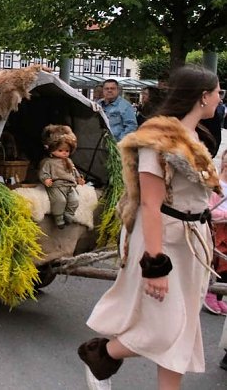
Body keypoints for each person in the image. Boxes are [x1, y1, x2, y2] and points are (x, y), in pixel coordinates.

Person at [78, 65, 222, 390]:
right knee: (164, 328)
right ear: (203, 97)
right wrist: (155, 265)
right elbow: (150, 204)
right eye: (217, 92)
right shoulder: (156, 141)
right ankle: (101, 355)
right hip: (163, 241)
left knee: (184, 328)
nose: (219, 98)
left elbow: (198, 196)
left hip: (192, 242)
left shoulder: (197, 137)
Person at [39, 125, 85, 229]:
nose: (64, 153)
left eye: (67, 151)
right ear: (51, 149)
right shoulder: (48, 162)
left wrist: (78, 178)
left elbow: (74, 171)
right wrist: (46, 179)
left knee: (75, 199)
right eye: (60, 150)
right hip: (57, 185)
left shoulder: (68, 161)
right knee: (60, 200)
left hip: (70, 185)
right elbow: (44, 173)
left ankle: (69, 215)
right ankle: (58, 217)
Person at [203, 151, 227, 315]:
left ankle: (219, 296)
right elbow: (208, 210)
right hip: (217, 227)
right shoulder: (216, 185)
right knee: (219, 260)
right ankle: (211, 291)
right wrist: (225, 216)